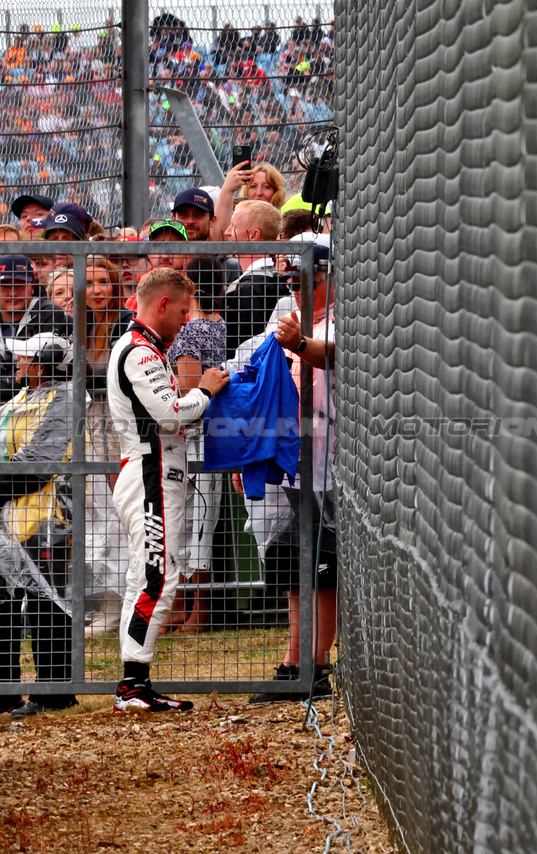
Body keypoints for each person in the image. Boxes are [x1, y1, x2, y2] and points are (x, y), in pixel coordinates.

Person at [108, 267, 229, 712]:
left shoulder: (145, 349)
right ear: (162, 304)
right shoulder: (139, 352)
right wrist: (206, 390)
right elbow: (172, 415)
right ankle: (132, 686)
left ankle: (134, 683)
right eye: (181, 310)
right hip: (149, 475)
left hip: (153, 474)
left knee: (149, 575)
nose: (184, 320)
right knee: (157, 576)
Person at [248, 243, 336, 704]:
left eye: (307, 277)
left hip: (333, 466)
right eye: (289, 279)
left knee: (323, 566)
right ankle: (294, 660)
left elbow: (333, 353)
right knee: (289, 559)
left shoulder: (342, 316)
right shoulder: (290, 320)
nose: (296, 286)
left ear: (329, 276)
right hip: (296, 462)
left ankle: (316, 666)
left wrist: (299, 344)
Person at [0, 332, 79, 717]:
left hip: (47, 517)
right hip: (11, 518)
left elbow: (41, 459)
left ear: (43, 364)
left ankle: (55, 692)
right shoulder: (20, 399)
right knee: (6, 604)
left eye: (25, 357)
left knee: (47, 605)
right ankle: (6, 689)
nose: (17, 363)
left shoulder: (64, 399)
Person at [164, 257, 226, 633]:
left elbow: (189, 390)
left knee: (193, 521)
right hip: (216, 431)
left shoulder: (192, 332)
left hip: (196, 434)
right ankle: (184, 609)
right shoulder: (223, 326)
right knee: (201, 518)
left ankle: (196, 612)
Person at [0, 255, 71, 403]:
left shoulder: (49, 313)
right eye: (5, 285)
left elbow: (34, 376)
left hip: (38, 405)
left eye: (20, 284)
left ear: (32, 286)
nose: (13, 293)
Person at [222, 200, 285, 358]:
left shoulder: (250, 288)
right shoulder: (278, 281)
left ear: (254, 235)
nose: (227, 232)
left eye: (234, 227)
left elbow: (248, 352)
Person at [211, 161, 285, 244]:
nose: (259, 192)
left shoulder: (285, 222)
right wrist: (227, 189)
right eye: (253, 186)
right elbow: (219, 241)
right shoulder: (233, 217)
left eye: (266, 187)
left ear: (276, 191)